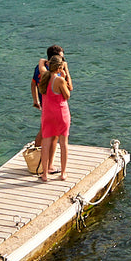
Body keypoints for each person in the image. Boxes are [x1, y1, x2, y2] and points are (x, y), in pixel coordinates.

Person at [37, 54, 73, 182]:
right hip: (61, 114)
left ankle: (45, 174)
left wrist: (46, 61)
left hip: (47, 114)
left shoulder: (44, 76)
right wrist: (65, 74)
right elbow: (67, 95)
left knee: (45, 143)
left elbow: (41, 63)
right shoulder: (60, 80)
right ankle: (63, 173)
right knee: (63, 143)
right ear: (59, 67)